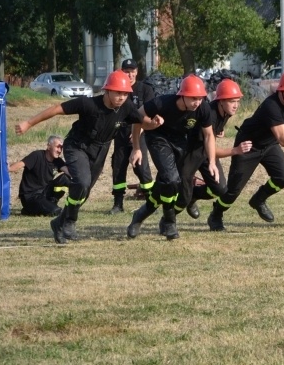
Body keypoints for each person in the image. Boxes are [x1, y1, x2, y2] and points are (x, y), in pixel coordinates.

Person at [15, 70, 163, 244]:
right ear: (107, 90)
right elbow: (56, 109)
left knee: (84, 192)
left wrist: (153, 124)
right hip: (77, 146)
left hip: (100, 150)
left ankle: (59, 223)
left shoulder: (127, 107)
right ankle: (70, 221)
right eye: (118, 93)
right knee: (82, 182)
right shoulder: (88, 104)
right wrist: (28, 123)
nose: (122, 97)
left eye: (125, 93)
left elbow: (141, 121)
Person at [206, 70, 284, 232]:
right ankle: (216, 214)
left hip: (268, 144)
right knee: (233, 191)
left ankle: (259, 199)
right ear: (282, 91)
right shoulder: (272, 106)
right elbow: (283, 140)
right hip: (248, 145)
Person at [126, 74, 217, 240]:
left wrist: (212, 161)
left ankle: (140, 215)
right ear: (182, 95)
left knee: (167, 183)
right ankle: (169, 222)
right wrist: (137, 148)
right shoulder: (162, 103)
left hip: (180, 141)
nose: (197, 102)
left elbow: (209, 135)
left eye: (200, 98)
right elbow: (136, 118)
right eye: (193, 98)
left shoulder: (202, 108)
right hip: (158, 138)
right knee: (172, 180)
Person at [176, 79, 252, 221]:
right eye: (231, 101)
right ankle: (169, 219)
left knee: (220, 189)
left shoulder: (226, 111)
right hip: (191, 153)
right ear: (220, 101)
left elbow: (212, 137)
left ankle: (194, 195)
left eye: (237, 101)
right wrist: (235, 150)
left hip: (204, 153)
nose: (236, 105)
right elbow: (210, 148)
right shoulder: (210, 114)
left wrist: (219, 130)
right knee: (182, 197)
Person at [108, 58, 155, 214]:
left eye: (132, 71)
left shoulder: (145, 90)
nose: (130, 75)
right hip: (121, 133)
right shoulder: (116, 89)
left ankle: (151, 202)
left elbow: (148, 114)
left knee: (141, 168)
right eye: (126, 71)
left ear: (137, 72)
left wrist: (139, 131)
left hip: (140, 133)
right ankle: (118, 203)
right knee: (118, 166)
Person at [8, 135, 71, 216]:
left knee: (66, 178)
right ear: (49, 146)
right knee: (56, 211)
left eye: (61, 148)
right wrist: (7, 169)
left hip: (44, 193)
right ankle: (30, 209)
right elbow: (20, 165)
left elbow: (69, 173)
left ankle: (51, 202)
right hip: (30, 196)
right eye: (57, 147)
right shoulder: (36, 156)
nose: (60, 150)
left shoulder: (58, 161)